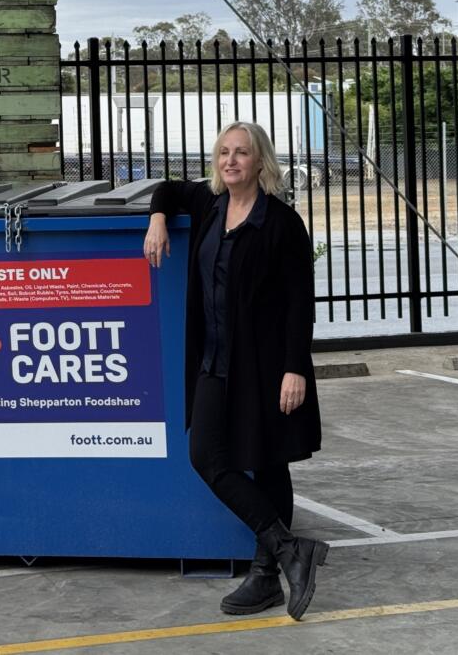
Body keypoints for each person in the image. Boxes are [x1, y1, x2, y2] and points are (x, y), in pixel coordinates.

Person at [143, 121, 327, 621]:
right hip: (213, 361)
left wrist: (295, 368)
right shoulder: (209, 205)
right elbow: (167, 189)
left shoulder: (282, 223)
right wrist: (158, 219)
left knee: (269, 462)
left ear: (260, 161)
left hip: (265, 365)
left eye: (241, 153)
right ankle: (290, 549)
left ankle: (266, 575)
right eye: (224, 152)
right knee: (206, 456)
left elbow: (299, 304)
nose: (230, 161)